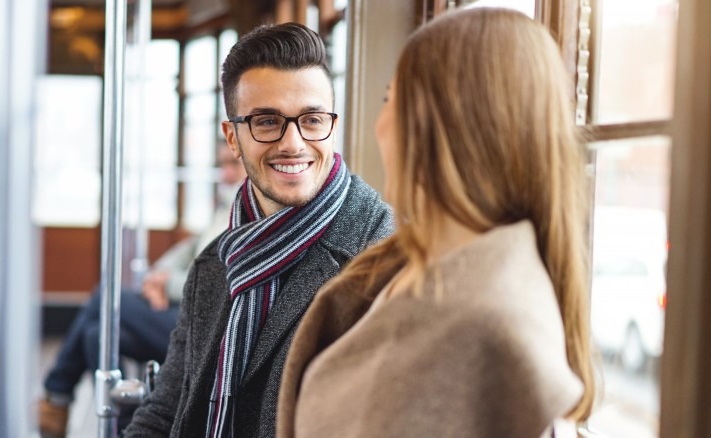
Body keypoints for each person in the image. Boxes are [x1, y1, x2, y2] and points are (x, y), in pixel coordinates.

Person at [277, 8, 596, 438]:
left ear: (444, 127)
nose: (379, 124)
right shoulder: (407, 274)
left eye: (392, 98)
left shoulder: (492, 327)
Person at [124, 23, 394, 438]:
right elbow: (165, 411)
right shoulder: (215, 263)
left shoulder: (383, 255)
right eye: (267, 122)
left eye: (312, 119)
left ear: (332, 125)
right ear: (232, 138)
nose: (293, 143)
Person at [38, 144, 247, 438]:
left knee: (105, 297)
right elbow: (188, 252)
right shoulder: (226, 205)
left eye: (232, 165)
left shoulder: (246, 212)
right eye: (221, 164)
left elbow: (219, 280)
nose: (225, 172)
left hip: (206, 328)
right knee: (96, 335)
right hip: (181, 309)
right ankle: (123, 428)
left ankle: (56, 393)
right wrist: (155, 278)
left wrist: (167, 283)